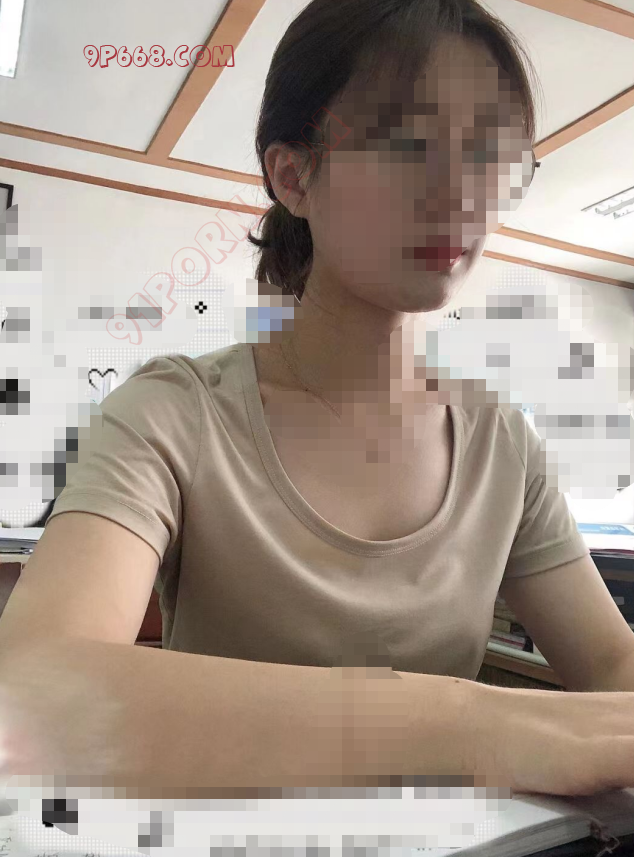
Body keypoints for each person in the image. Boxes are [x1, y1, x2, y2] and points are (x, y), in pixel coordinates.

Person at [1, 0, 634, 801]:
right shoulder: (173, 413)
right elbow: (33, 689)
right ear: (294, 176)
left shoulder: (503, 444)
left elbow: (612, 662)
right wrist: (475, 725)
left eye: (490, 154)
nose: (461, 191)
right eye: (410, 143)